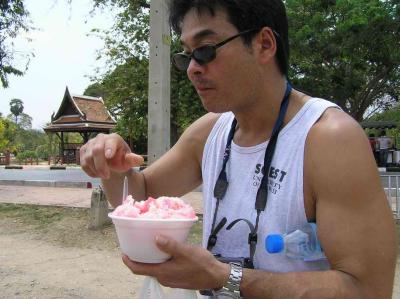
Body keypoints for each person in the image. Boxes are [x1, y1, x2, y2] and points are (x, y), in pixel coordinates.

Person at [80, 1, 396, 298]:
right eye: (186, 56)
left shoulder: (327, 139)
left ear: (264, 45)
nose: (192, 69)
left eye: (204, 51)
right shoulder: (209, 133)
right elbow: (140, 193)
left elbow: (367, 288)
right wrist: (115, 167)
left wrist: (224, 277)